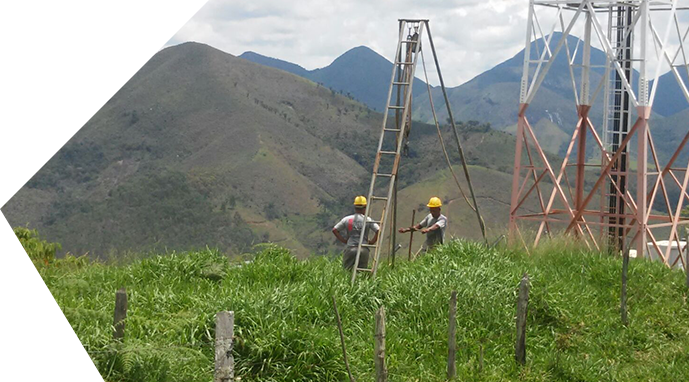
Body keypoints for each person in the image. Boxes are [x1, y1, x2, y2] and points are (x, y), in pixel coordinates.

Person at [332, 196, 380, 270]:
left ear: (355, 207)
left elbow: (335, 230)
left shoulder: (347, 219)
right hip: (363, 249)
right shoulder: (368, 220)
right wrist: (372, 242)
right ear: (365, 207)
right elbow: (378, 230)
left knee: (347, 271)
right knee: (362, 271)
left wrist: (344, 241)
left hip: (351, 247)